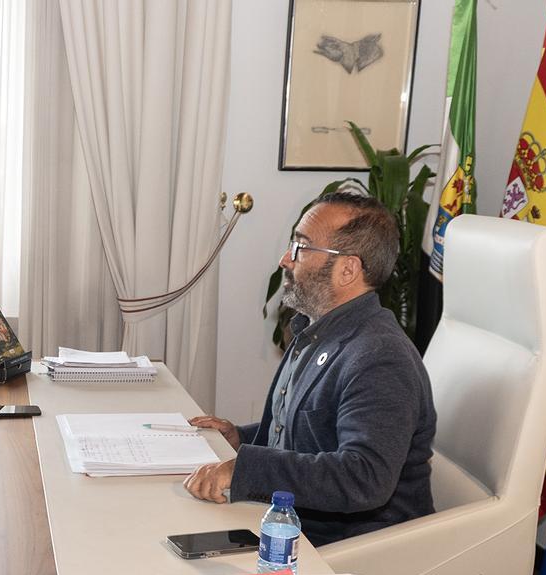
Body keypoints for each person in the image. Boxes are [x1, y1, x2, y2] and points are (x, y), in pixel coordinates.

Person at [183, 192, 435, 546]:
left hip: (350, 551)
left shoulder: (380, 357)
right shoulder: (318, 328)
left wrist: (246, 469)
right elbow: (313, 431)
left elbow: (363, 478)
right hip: (291, 525)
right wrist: (241, 439)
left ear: (348, 268)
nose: (286, 259)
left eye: (301, 247)